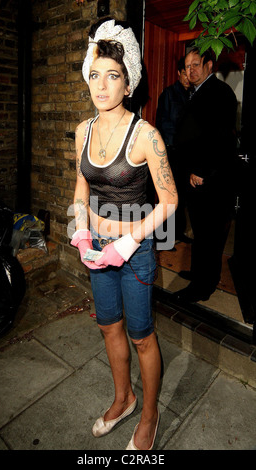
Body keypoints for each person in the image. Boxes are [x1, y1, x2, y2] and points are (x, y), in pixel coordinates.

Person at [70, 18, 177, 450]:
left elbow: (169, 201)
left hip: (135, 252)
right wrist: (80, 231)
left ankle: (149, 414)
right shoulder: (84, 130)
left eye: (112, 75)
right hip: (96, 246)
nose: (101, 85)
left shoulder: (146, 135)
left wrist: (130, 242)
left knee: (141, 336)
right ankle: (124, 399)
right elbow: (81, 187)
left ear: (127, 82)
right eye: (94, 74)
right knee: (108, 328)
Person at [174, 47, 237, 303]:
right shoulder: (198, 92)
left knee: (209, 235)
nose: (191, 70)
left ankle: (203, 287)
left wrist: (201, 171)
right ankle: (199, 274)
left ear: (210, 65)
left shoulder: (219, 93)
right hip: (196, 177)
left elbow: (220, 138)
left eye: (196, 64)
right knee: (201, 232)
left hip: (208, 180)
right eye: (187, 66)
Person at [156, 57, 191, 242]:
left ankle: (178, 233)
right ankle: (165, 238)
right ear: (179, 73)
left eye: (190, 72)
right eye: (185, 72)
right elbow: (160, 125)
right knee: (169, 196)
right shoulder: (169, 94)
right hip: (170, 152)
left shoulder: (191, 95)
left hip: (185, 154)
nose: (188, 76)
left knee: (182, 195)